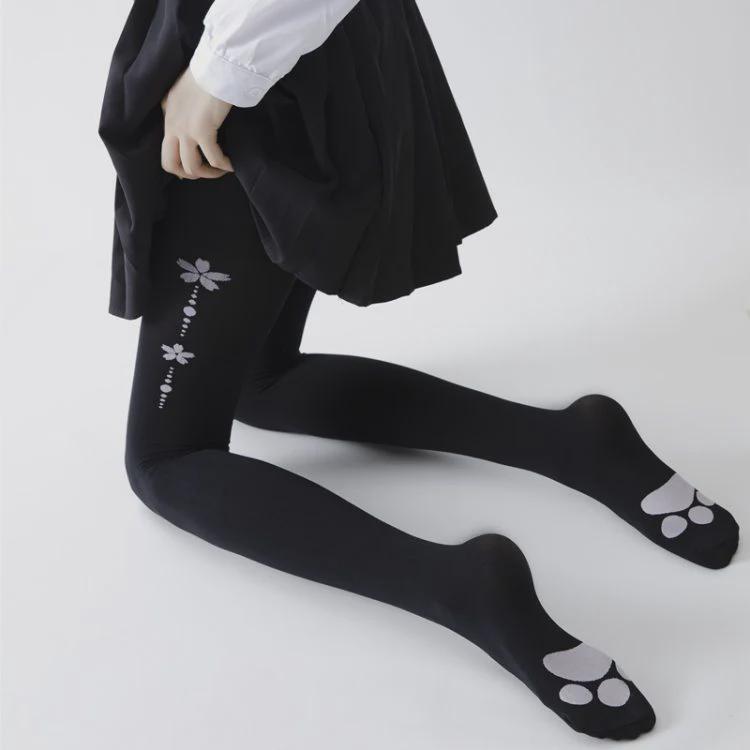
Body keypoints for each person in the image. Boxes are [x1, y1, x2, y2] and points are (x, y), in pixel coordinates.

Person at [99, 0, 739, 740]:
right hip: (323, 56)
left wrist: (220, 72)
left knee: (167, 459)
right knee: (257, 380)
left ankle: (464, 586)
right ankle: (576, 442)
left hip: (259, 77)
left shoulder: (234, 68)